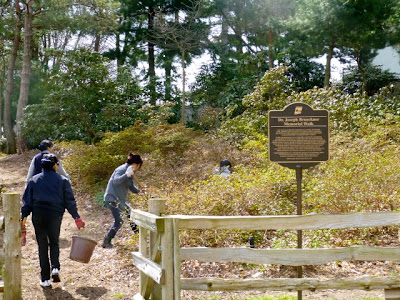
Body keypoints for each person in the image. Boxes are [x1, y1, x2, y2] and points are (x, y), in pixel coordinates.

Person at [21, 154, 85, 289]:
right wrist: (76, 217)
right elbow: (69, 201)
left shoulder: (33, 180)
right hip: (55, 215)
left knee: (42, 245)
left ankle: (45, 279)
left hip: (38, 215)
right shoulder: (62, 180)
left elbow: (27, 202)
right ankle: (55, 268)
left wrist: (23, 219)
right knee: (54, 242)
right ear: (55, 165)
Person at [102, 152, 143, 248]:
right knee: (119, 221)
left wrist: (141, 191)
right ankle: (106, 240)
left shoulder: (130, 172)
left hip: (120, 200)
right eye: (139, 166)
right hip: (112, 198)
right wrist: (126, 175)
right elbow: (116, 181)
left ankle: (139, 236)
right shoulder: (121, 170)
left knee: (131, 214)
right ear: (136, 164)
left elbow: (131, 187)